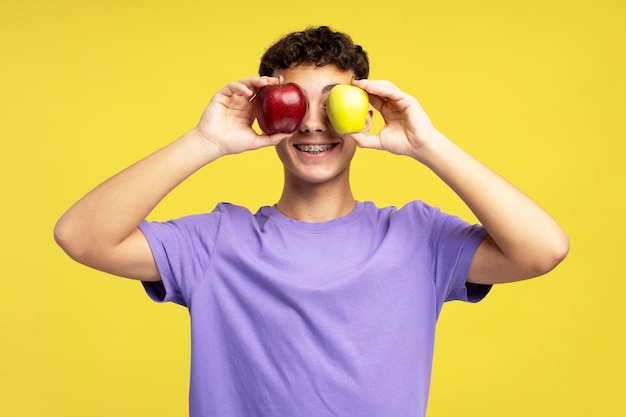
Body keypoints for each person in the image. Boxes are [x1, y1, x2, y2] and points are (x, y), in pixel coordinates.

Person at [54, 26, 569, 417]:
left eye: (334, 103)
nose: (312, 123)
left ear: (366, 114)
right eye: (295, 102)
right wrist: (206, 142)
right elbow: (80, 236)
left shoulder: (418, 239)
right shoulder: (216, 242)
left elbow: (542, 250)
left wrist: (427, 145)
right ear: (264, 114)